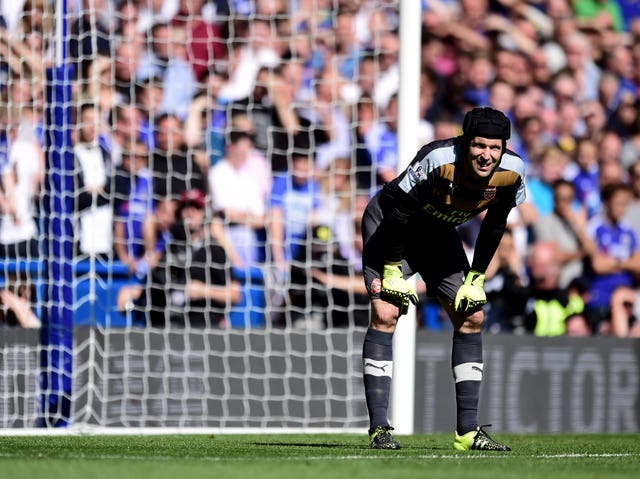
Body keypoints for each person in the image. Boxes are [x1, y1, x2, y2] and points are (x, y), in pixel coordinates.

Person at [360, 107, 523, 451]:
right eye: (479, 146)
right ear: (465, 143)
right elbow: (398, 211)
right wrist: (391, 269)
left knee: (472, 316)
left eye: (495, 148)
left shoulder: (512, 172)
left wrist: (476, 277)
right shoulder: (437, 158)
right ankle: (379, 430)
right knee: (386, 313)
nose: (486, 155)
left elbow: (494, 224)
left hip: (437, 232)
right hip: (391, 226)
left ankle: (467, 433)